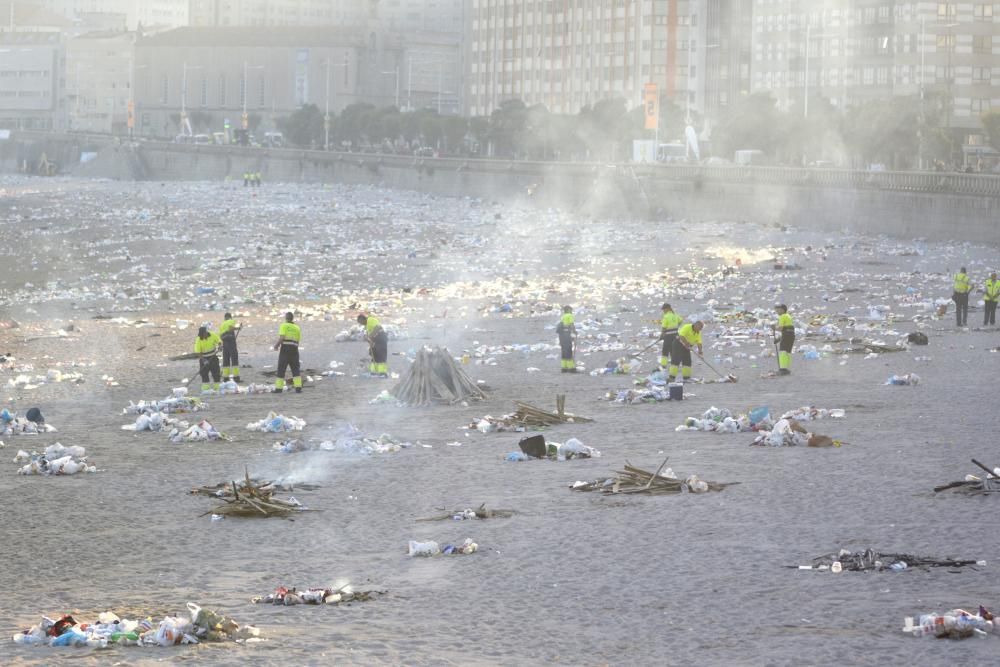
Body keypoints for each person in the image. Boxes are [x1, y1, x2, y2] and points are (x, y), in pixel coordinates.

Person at [273, 312, 302, 393]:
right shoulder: (297, 328)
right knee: (295, 368)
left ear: (286, 318)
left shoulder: (284, 325)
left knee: (281, 369)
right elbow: (298, 341)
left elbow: (282, 337)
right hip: (294, 349)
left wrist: (276, 345)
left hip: (285, 349)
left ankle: (279, 388)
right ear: (292, 318)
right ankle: (298, 388)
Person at [194, 326, 222, 393]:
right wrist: (204, 360)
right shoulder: (198, 340)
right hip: (204, 357)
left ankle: (217, 388)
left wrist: (220, 346)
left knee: (216, 373)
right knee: (204, 374)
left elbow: (219, 341)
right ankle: (206, 389)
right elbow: (198, 353)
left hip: (213, 357)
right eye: (202, 335)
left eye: (204, 334)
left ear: (206, 333)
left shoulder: (212, 335)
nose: (203, 336)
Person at [772, 304, 795, 375]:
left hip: (787, 334)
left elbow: (781, 328)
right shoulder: (788, 316)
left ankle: (783, 369)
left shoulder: (782, 316)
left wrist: (774, 327)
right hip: (791, 335)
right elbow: (788, 328)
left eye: (778, 310)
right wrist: (779, 339)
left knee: (783, 351)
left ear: (782, 309)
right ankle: (786, 368)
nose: (776, 311)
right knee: (788, 351)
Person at [659, 303, 683, 369]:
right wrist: (676, 326)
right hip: (675, 335)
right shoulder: (675, 315)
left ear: (668, 308)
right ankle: (675, 364)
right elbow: (681, 321)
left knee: (665, 350)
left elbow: (664, 327)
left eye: (664, 309)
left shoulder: (666, 316)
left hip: (668, 335)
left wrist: (662, 335)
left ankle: (663, 365)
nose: (663, 311)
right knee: (673, 350)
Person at [219, 312, 241, 382]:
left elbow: (220, 335)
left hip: (225, 344)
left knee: (226, 360)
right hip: (231, 343)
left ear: (225, 318)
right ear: (230, 317)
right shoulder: (231, 321)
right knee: (234, 359)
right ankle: (236, 377)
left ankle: (226, 377)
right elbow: (231, 328)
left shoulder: (222, 324)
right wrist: (238, 328)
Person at [556, 305, 577, 372]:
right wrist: (574, 332)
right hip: (567, 334)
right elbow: (571, 325)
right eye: (571, 310)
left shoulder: (563, 316)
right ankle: (571, 368)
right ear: (568, 310)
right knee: (568, 350)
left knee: (564, 350)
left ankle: (564, 367)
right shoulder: (569, 315)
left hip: (561, 335)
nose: (572, 311)